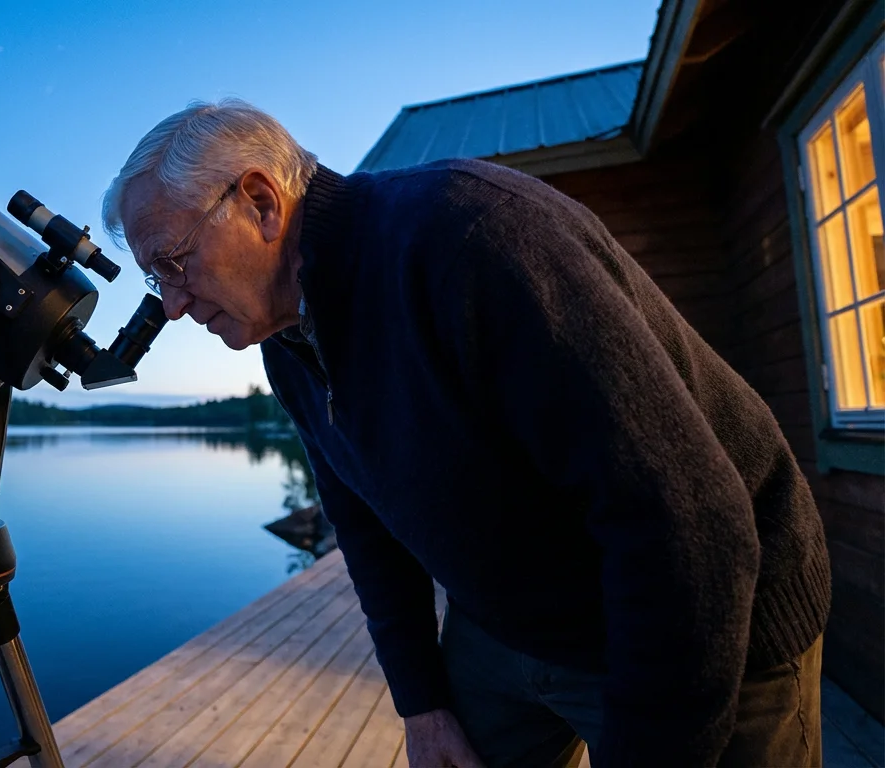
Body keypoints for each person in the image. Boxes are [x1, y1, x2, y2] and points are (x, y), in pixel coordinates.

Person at [100, 98, 831, 768]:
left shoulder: (472, 237)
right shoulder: (285, 340)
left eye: (172, 261)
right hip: (509, 624)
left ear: (260, 201)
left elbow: (689, 521)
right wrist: (421, 702)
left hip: (705, 614)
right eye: (154, 279)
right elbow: (364, 525)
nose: (169, 305)